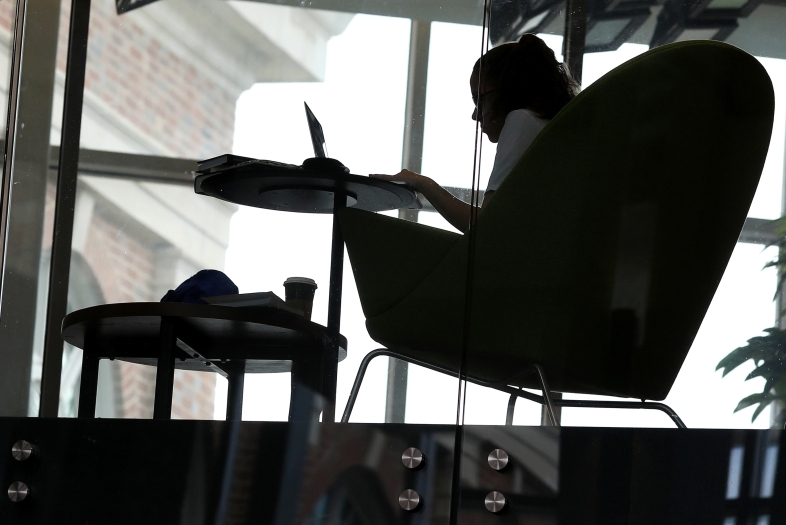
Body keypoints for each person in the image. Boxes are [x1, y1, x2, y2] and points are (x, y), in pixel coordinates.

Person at [371, 34, 579, 233]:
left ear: (510, 90)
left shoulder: (521, 120)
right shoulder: (548, 129)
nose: (475, 114)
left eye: (480, 99)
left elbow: (486, 227)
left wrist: (423, 183)